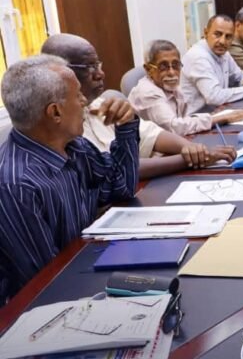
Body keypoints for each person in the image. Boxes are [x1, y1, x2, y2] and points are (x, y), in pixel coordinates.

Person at [0, 55, 139, 302]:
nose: (85, 101)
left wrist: (126, 126)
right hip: (47, 304)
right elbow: (46, 282)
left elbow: (121, 187)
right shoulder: (16, 185)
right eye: (78, 95)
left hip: (83, 269)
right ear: (55, 112)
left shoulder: (75, 147)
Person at [42, 33, 236, 179]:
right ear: (61, 72)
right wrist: (191, 158)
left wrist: (192, 149)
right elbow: (115, 169)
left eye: (98, 65)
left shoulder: (98, 104)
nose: (100, 74)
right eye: (90, 67)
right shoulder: (60, 123)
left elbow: (150, 134)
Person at [129, 39, 243, 135]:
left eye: (176, 65)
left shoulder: (170, 85)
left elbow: (182, 120)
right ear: (148, 69)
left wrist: (215, 118)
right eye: (163, 66)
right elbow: (175, 127)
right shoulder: (148, 93)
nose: (172, 72)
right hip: (152, 155)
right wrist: (220, 118)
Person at [180, 14, 243, 115]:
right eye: (217, 34)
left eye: (228, 37)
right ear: (206, 33)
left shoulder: (223, 53)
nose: (222, 41)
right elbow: (214, 97)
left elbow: (239, 76)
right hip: (197, 120)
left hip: (218, 113)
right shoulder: (198, 56)